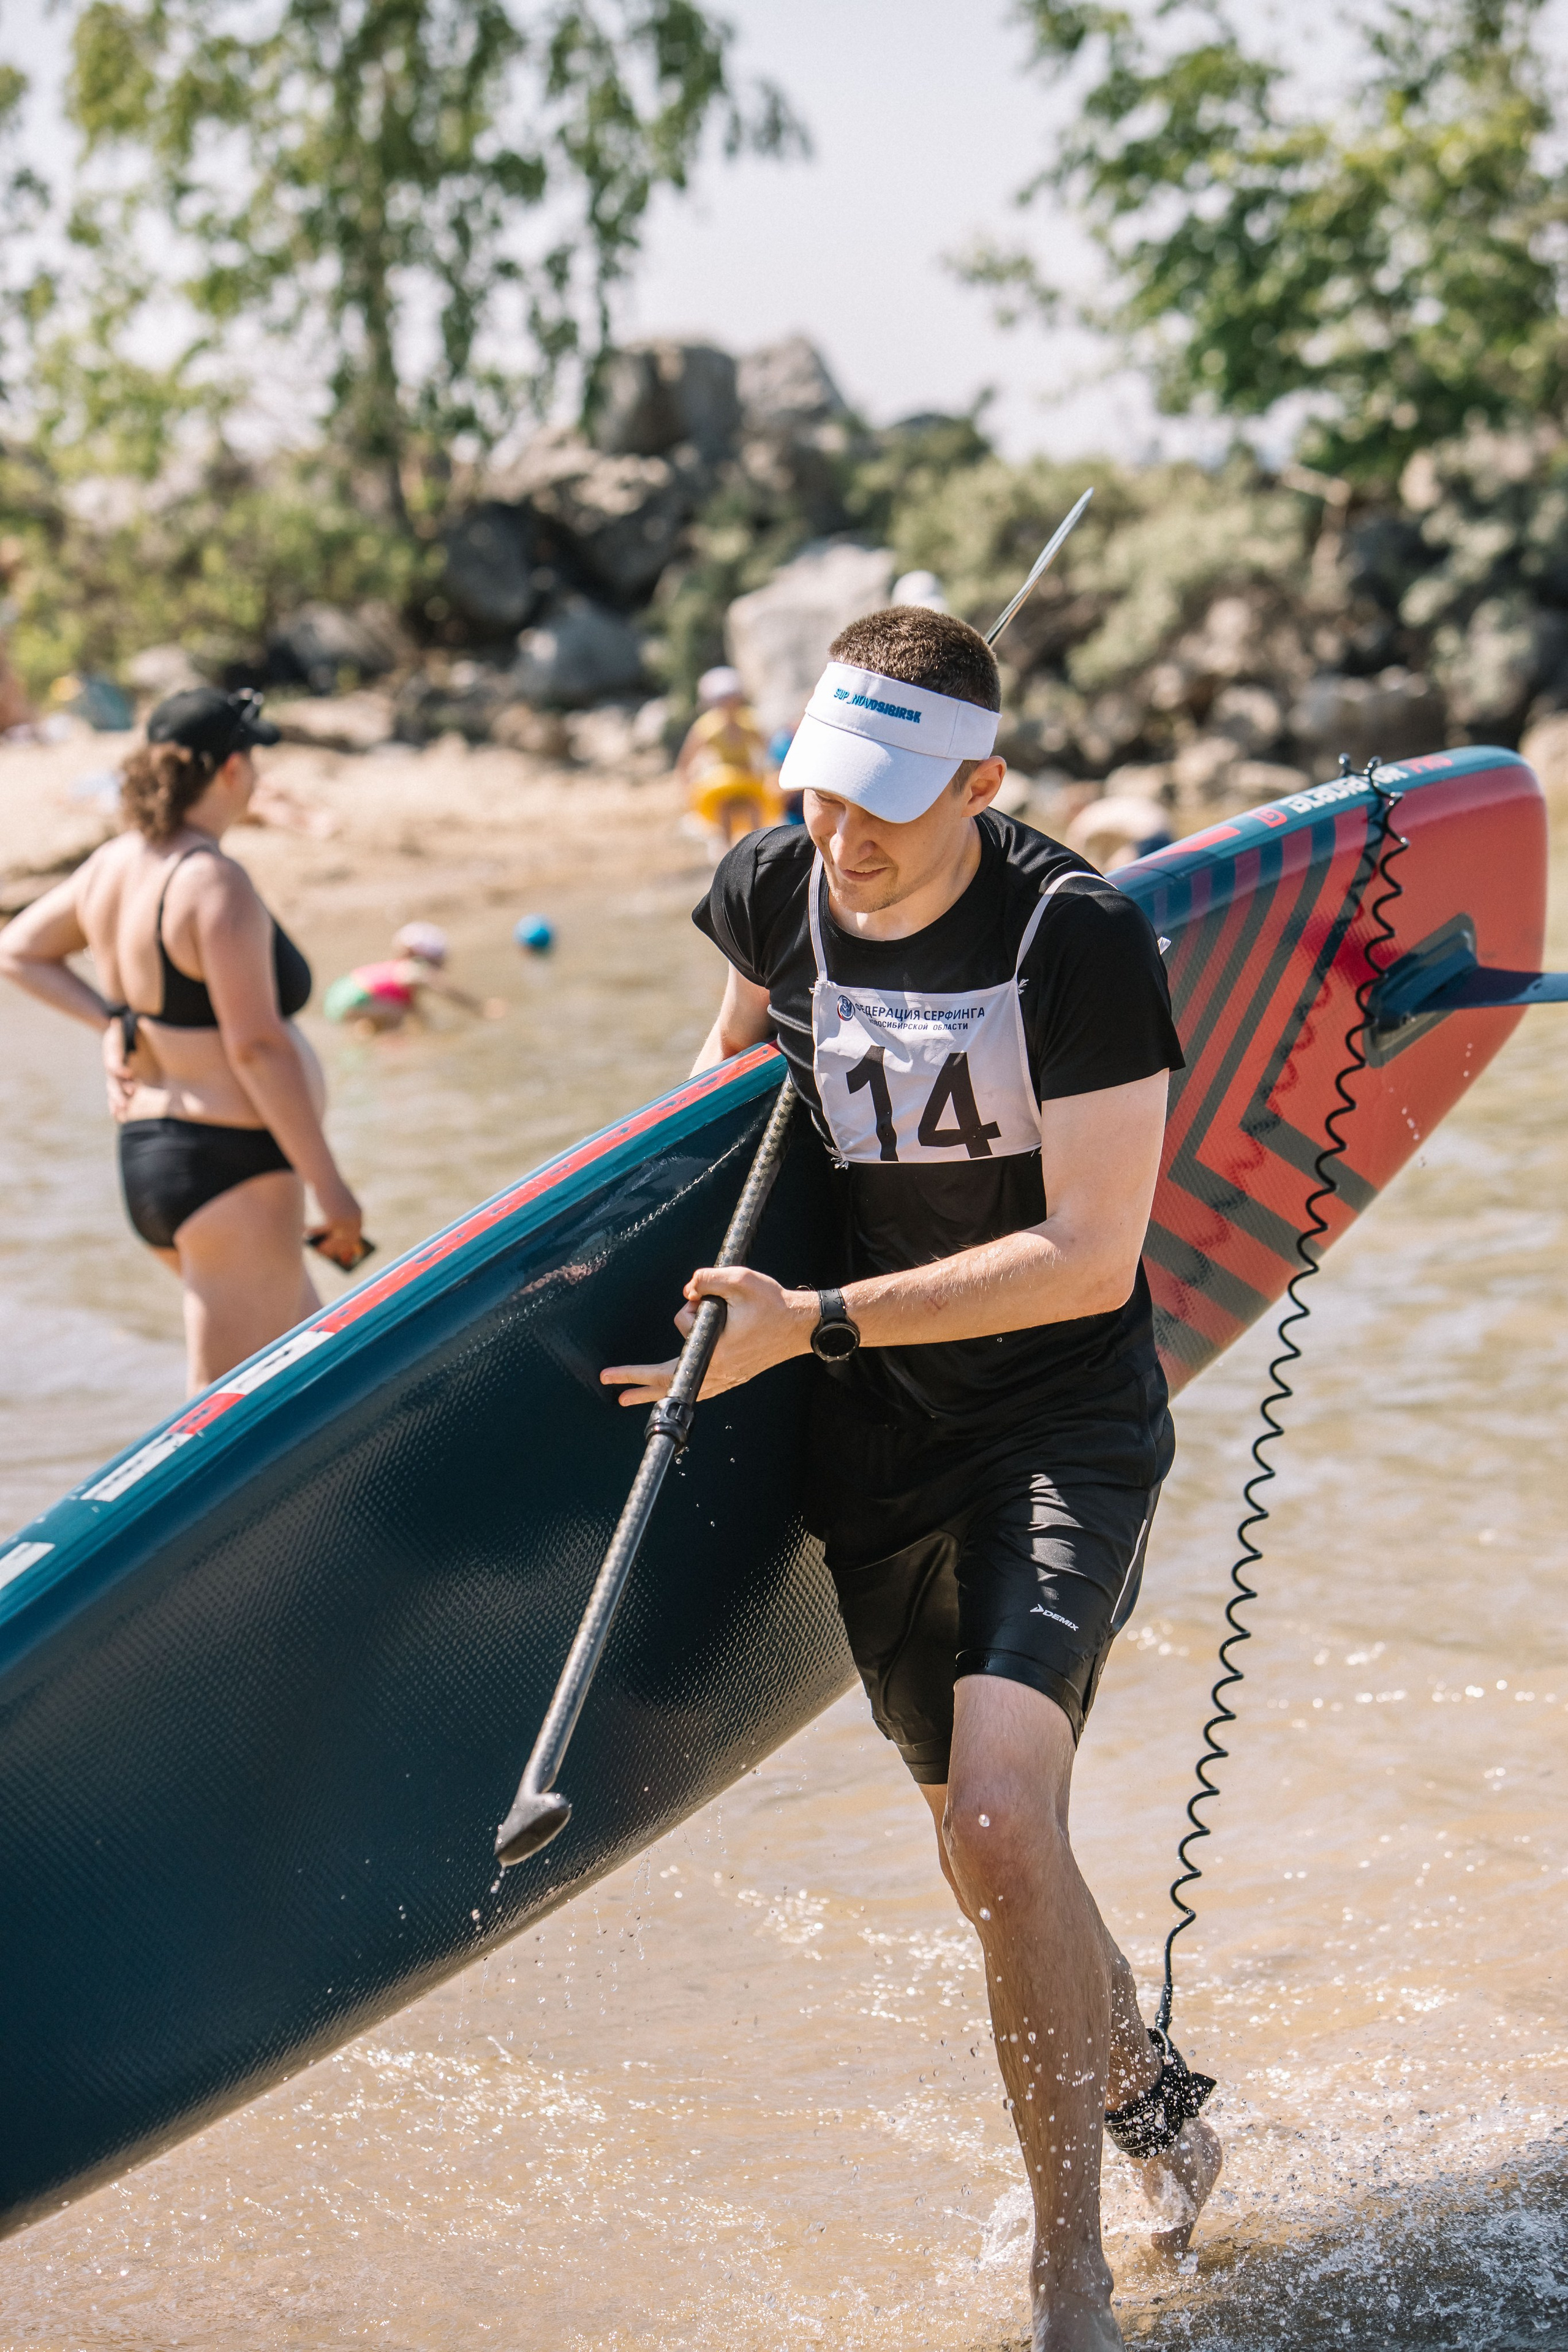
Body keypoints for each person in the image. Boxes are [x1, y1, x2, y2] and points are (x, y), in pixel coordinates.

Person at [601, 608, 1221, 2349]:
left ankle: (1067, 2277)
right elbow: (720, 1095)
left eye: (884, 800)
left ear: (984, 780)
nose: (842, 837)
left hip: (1055, 1423)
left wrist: (823, 1322)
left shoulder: (1074, 937)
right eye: (819, 792)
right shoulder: (775, 883)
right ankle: (1166, 2104)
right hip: (864, 1444)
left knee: (1002, 1820)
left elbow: (1096, 1254)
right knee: (992, 1864)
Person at [0, 686, 364, 1393]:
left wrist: (115, 1018)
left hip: (156, 1159)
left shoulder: (115, 864)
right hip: (234, 1169)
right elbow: (258, 1048)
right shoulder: (212, 883)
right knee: (216, 1421)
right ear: (232, 771)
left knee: (316, 1380)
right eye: (253, 762)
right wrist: (331, 1187)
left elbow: (19, 951)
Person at [323, 922, 505, 1036]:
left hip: (338, 998)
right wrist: (481, 1008)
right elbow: (446, 991)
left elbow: (417, 1012)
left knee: (402, 1014)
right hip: (355, 999)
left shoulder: (394, 968)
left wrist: (429, 1030)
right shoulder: (413, 970)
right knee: (398, 1016)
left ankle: (365, 1038)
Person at [675, 665, 782, 850]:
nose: (727, 703)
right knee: (724, 810)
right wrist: (687, 790)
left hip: (748, 779)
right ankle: (727, 854)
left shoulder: (749, 721)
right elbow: (685, 763)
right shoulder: (707, 727)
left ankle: (757, 852)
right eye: (722, 699)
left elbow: (769, 751)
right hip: (721, 782)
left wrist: (774, 776)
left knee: (754, 809)